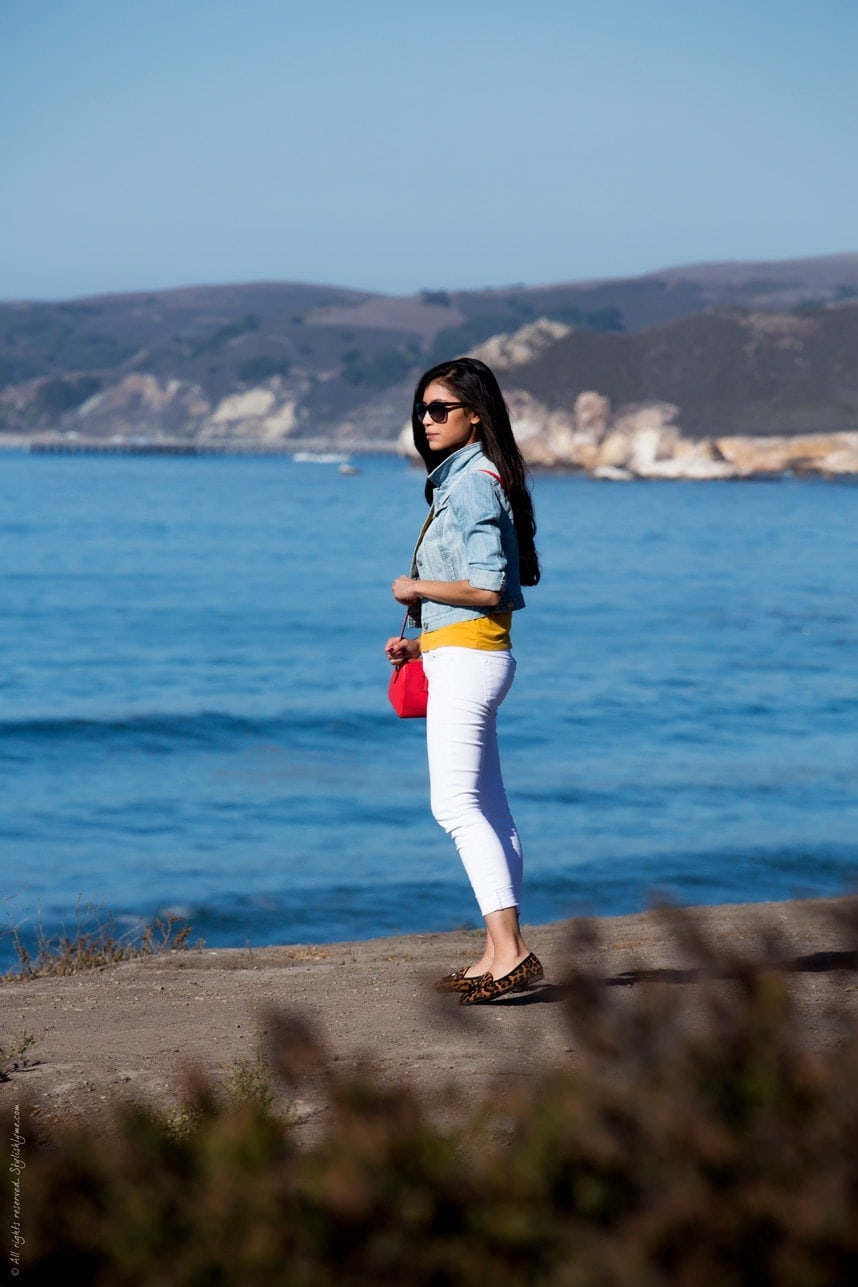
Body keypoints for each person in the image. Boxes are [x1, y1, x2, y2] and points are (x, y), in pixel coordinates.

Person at [385, 357, 543, 1005]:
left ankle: (511, 949)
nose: (426, 422)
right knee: (490, 807)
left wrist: (415, 587)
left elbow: (491, 585)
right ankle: (495, 949)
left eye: (440, 410)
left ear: (475, 414)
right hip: (469, 653)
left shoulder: (473, 482)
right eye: (421, 410)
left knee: (453, 805)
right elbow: (488, 595)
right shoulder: (469, 480)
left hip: (471, 662)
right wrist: (420, 641)